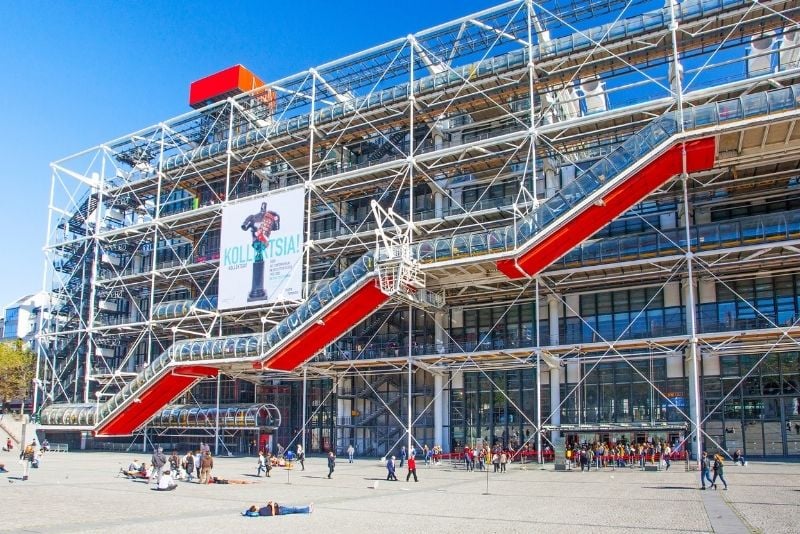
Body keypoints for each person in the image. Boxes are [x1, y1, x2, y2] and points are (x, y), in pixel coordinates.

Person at [242, 501, 313, 517]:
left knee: (294, 509)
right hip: (280, 511)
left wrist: (269, 504)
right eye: (256, 506)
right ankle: (308, 509)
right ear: (256, 509)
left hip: (279, 508)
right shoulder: (262, 512)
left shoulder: (261, 509)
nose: (258, 506)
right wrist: (272, 506)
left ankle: (307, 508)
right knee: (294, 509)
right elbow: (273, 514)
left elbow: (269, 508)